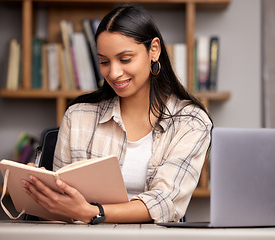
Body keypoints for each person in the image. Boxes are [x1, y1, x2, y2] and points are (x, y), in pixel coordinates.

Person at [22, 4, 213, 224]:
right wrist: (42, 195)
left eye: (125, 59)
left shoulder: (190, 122)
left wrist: (92, 212)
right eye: (104, 61)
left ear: (154, 50)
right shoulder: (78, 116)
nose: (113, 73)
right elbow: (61, 213)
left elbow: (165, 203)